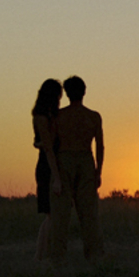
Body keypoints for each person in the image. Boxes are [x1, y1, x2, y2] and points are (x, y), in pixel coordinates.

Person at [48, 75, 105, 265]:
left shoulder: (59, 116)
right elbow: (100, 147)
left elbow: (50, 146)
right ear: (84, 92)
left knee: (60, 216)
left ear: (67, 94)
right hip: (86, 162)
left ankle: (57, 260)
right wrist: (98, 172)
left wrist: (55, 175)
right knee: (89, 215)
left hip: (63, 161)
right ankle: (94, 258)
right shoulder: (93, 116)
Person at [31, 79, 62, 261]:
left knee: (52, 216)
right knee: (52, 215)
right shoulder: (41, 118)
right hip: (47, 167)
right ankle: (41, 256)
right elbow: (48, 148)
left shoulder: (50, 116)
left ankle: (41, 256)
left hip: (52, 165)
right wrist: (56, 177)